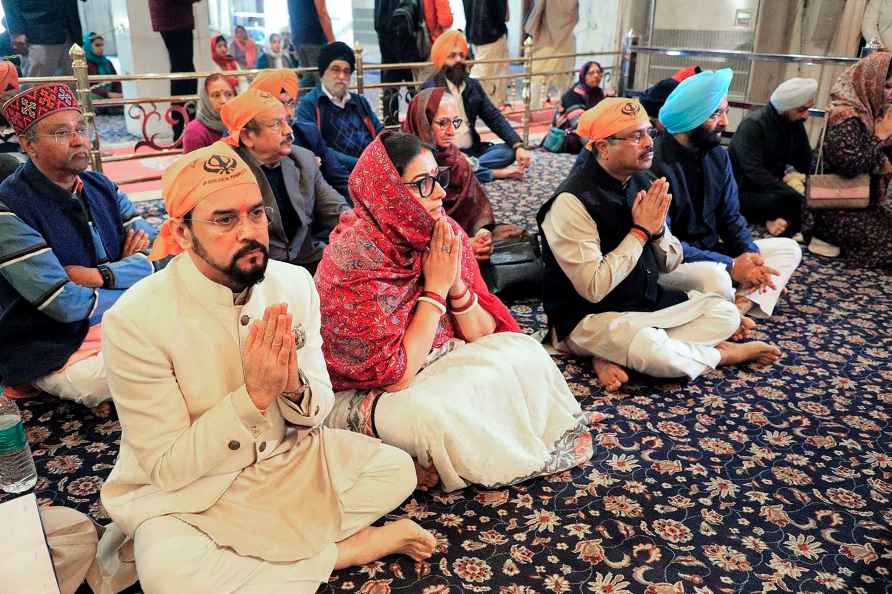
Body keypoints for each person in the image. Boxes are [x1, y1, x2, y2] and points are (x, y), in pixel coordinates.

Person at [99, 142, 436, 594]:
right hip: (196, 492)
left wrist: (292, 384)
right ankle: (341, 551)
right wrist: (252, 398)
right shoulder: (136, 320)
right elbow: (166, 467)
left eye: (256, 214)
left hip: (288, 461)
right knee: (169, 578)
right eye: (224, 219)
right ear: (182, 234)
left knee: (397, 471)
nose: (250, 232)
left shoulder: (293, 284)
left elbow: (314, 414)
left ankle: (271, 564)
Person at [314, 131, 593, 492]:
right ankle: (402, 456)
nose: (441, 193)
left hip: (433, 359)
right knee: (432, 415)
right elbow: (393, 376)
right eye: (423, 184)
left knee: (523, 352)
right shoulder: (354, 258)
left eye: (438, 178)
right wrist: (435, 290)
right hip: (373, 389)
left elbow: (481, 332)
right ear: (388, 193)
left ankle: (432, 458)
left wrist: (455, 283)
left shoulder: (440, 232)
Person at [538, 98, 781, 393]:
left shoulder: (643, 180)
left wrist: (657, 233)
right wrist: (640, 232)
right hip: (587, 316)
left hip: (639, 298)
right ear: (603, 147)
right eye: (635, 136)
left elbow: (670, 263)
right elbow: (593, 288)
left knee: (726, 314)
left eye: (648, 133)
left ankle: (610, 354)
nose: (648, 143)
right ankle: (721, 354)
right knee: (652, 350)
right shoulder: (572, 202)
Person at [0, 84, 155, 405]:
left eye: (81, 129)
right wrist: (139, 276)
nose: (79, 140)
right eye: (60, 133)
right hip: (50, 337)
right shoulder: (9, 207)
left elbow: (155, 248)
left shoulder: (100, 185)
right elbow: (65, 304)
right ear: (29, 145)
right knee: (97, 383)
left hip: (114, 315)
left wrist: (100, 276)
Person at [652, 69, 803, 319]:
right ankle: (741, 302)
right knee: (718, 278)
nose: (725, 123)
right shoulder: (655, 166)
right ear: (691, 117)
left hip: (713, 252)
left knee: (788, 249)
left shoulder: (718, 157)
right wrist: (731, 266)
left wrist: (753, 258)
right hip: (673, 262)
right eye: (715, 114)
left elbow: (731, 218)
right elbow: (665, 247)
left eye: (725, 112)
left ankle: (738, 306)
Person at [219, 89, 350, 273]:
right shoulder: (230, 173)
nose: (288, 131)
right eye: (276, 124)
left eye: (287, 122)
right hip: (258, 269)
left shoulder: (303, 159)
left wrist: (357, 225)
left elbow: (335, 209)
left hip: (307, 259)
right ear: (247, 137)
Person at [402, 87, 524, 260]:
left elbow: (477, 206)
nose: (452, 131)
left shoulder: (456, 159)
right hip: (424, 249)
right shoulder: (404, 161)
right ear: (424, 122)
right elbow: (410, 230)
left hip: (459, 237)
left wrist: (481, 232)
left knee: (514, 241)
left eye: (456, 122)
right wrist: (463, 245)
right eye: (443, 123)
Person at [803, 51, 892, 268]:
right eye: (887, 86)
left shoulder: (873, 113)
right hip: (832, 207)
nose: (891, 94)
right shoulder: (845, 117)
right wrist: (879, 136)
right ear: (868, 82)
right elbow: (850, 167)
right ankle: (826, 239)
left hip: (860, 201)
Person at [422, 31, 532, 182]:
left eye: (462, 55)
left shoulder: (472, 85)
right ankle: (492, 173)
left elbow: (493, 117)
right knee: (437, 166)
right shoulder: (429, 90)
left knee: (507, 152)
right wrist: (452, 155)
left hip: (473, 151)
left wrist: (518, 145)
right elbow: (423, 135)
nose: (459, 60)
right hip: (444, 153)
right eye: (452, 56)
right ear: (441, 60)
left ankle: (464, 170)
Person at [729, 77, 817, 237]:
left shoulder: (792, 122)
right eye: (802, 109)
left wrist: (814, 185)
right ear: (786, 107)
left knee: (812, 200)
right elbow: (755, 173)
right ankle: (774, 219)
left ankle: (777, 220)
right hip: (744, 192)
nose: (806, 115)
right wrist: (794, 195)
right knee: (790, 201)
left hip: (772, 188)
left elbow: (805, 161)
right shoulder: (753, 124)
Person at [251, 69, 351, 198]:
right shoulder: (242, 137)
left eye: (291, 104)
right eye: (279, 104)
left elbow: (339, 179)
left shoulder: (307, 133)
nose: (288, 112)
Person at [297, 41, 384, 173]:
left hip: (373, 168)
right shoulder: (309, 105)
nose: (342, 77)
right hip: (339, 174)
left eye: (346, 71)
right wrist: (362, 164)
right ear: (323, 73)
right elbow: (319, 149)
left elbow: (379, 131)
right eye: (335, 70)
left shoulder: (359, 102)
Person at [149, 0, 201, 141]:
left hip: (174, 16)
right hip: (174, 17)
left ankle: (185, 129)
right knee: (184, 74)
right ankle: (183, 132)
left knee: (184, 73)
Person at [374, 0, 425, 127]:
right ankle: (417, 129)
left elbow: (379, 21)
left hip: (389, 44)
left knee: (392, 93)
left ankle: (391, 132)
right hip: (406, 44)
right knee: (415, 92)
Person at [0, 0, 81, 77]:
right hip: (37, 30)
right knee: (37, 85)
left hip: (69, 28)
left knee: (74, 83)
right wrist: (16, 31)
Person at [525, 0, 579, 109]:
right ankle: (567, 108)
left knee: (537, 77)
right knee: (565, 78)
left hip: (546, 41)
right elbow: (575, 18)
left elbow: (536, 14)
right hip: (566, 41)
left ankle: (531, 109)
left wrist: (531, 30)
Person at [463, 0, 510, 108]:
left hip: (477, 32)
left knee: (493, 72)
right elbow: (501, 13)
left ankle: (494, 105)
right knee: (482, 73)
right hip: (489, 33)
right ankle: (468, 107)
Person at [556, 61, 607, 154]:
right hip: (569, 131)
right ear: (584, 76)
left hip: (592, 130)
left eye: (599, 72)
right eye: (591, 73)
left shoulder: (598, 92)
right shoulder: (573, 95)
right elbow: (578, 124)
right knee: (573, 142)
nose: (596, 75)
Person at [288, 0, 335, 91]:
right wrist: (332, 42)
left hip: (298, 38)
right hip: (314, 38)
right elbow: (322, 13)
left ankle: (298, 102)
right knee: (322, 79)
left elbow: (290, 16)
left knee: (309, 78)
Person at [182, 74, 235, 154]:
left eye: (229, 94)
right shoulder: (195, 131)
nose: (224, 101)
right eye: (216, 95)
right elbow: (193, 166)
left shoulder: (243, 124)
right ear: (206, 99)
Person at [83, 33, 123, 104]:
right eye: (97, 45)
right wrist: (108, 94)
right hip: (96, 96)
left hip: (111, 95)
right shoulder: (83, 64)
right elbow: (88, 87)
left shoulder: (107, 62)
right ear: (88, 46)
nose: (101, 48)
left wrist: (119, 94)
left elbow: (116, 81)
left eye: (102, 45)